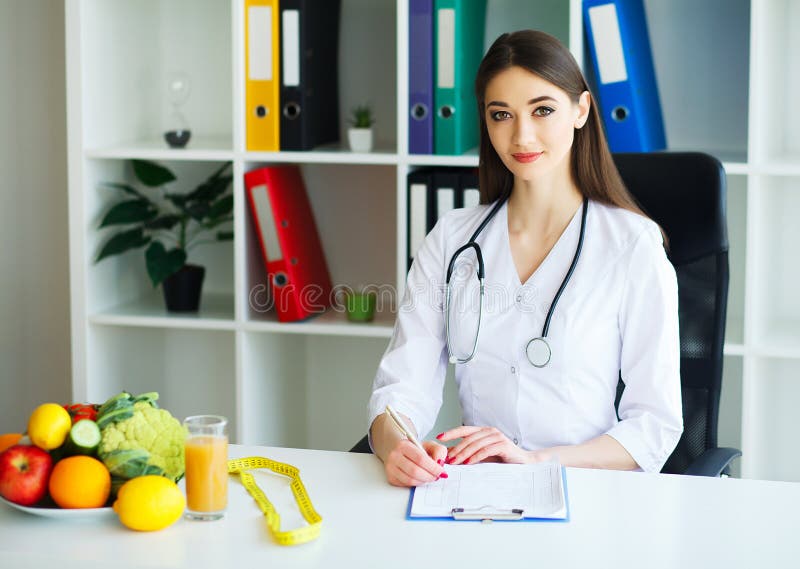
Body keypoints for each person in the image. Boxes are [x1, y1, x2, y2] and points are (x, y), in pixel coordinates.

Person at [368, 30, 683, 487]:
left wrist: (535, 462)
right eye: (502, 115)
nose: (522, 135)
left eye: (543, 110)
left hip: (587, 492)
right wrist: (397, 444)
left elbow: (655, 425)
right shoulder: (453, 239)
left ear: (581, 110)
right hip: (475, 492)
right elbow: (401, 389)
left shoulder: (632, 245)